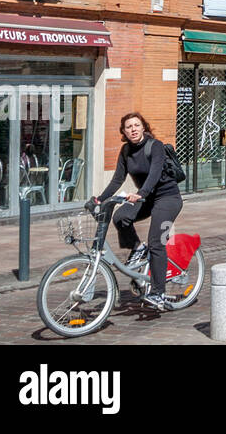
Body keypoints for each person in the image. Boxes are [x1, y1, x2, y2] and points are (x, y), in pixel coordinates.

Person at [93, 112, 182, 311]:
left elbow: (155, 172)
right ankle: (137, 248)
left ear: (143, 127)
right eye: (128, 127)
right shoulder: (126, 151)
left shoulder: (155, 146)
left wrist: (141, 193)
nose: (133, 129)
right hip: (145, 198)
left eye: (136, 125)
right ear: (123, 131)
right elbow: (117, 179)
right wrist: (100, 199)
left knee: (156, 242)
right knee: (120, 217)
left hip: (167, 198)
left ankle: (158, 293)